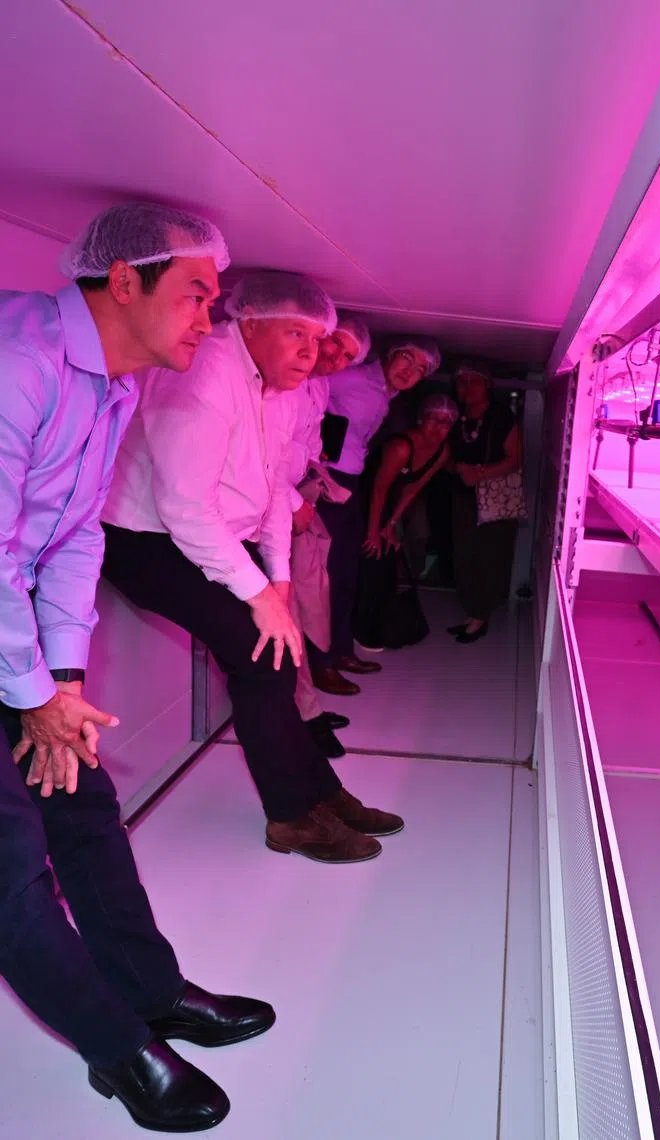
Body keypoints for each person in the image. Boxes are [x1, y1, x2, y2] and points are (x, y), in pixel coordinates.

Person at [0, 202, 273, 1132]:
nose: (210, 319)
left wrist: (62, 686)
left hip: (13, 634)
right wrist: (33, 694)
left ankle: (151, 995)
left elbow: (72, 539)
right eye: (197, 296)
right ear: (126, 282)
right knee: (9, 869)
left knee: (81, 802)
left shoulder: (112, 385)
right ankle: (121, 1052)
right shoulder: (21, 363)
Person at [101, 270, 403, 864]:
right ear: (251, 321)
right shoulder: (207, 369)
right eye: (297, 334)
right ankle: (292, 816)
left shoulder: (279, 390)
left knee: (276, 654)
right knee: (261, 657)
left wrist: (279, 582)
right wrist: (258, 595)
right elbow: (185, 507)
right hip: (145, 539)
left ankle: (321, 793)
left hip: (205, 538)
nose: (311, 353)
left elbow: (271, 495)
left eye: (317, 340)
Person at [311, 334, 440, 693]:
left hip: (349, 483)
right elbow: (309, 386)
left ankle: (340, 651)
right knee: (327, 576)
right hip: (328, 480)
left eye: (420, 370)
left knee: (347, 574)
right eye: (406, 359)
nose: (409, 371)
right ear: (389, 353)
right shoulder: (353, 378)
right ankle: (319, 664)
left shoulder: (386, 395)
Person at [285, 312, 371, 756]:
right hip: (274, 514)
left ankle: (306, 709)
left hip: (298, 505)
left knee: (303, 605)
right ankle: (300, 715)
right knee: (287, 614)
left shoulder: (316, 387)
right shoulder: (282, 380)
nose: (336, 357)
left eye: (347, 356)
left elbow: (305, 448)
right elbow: (262, 456)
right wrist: (294, 503)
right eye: (333, 344)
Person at [355, 394, 458, 649]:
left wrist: (390, 526)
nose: (438, 427)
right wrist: (372, 531)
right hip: (362, 499)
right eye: (433, 419)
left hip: (388, 503)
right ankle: (357, 630)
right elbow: (378, 489)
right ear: (421, 419)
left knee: (387, 562)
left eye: (446, 422)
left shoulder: (442, 451)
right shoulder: (401, 447)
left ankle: (376, 623)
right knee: (368, 560)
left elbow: (412, 489)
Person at [448, 360, 524, 643]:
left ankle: (481, 615)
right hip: (464, 496)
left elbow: (515, 460)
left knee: (491, 555)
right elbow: (447, 457)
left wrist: (478, 473)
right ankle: (473, 612)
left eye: (473, 381)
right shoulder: (455, 417)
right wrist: (459, 470)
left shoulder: (502, 417)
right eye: (461, 382)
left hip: (494, 499)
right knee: (464, 554)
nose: (466, 387)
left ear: (487, 385)